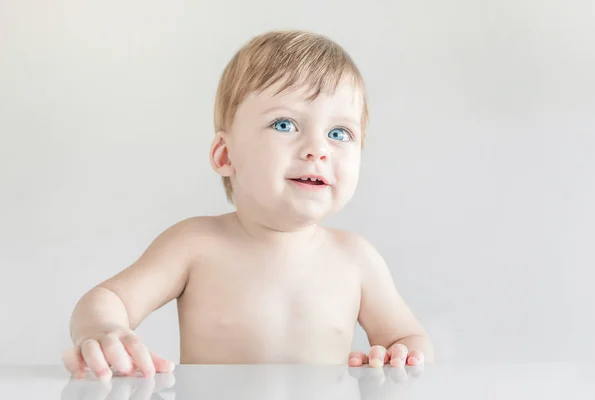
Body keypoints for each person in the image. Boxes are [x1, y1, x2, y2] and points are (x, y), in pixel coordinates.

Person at [62, 30, 434, 381]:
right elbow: (107, 299)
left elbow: (409, 339)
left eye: (339, 133)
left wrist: (401, 356)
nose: (318, 149)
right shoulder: (195, 244)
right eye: (285, 124)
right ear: (226, 154)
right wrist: (104, 329)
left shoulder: (356, 258)